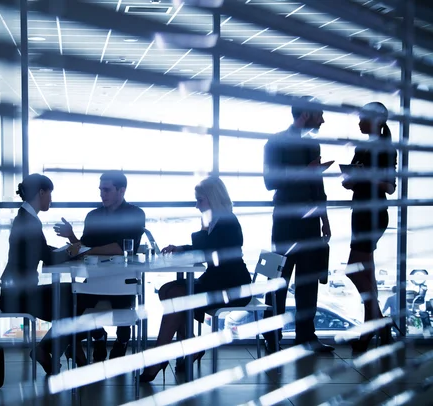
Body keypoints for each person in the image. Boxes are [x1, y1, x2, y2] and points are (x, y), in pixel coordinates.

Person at [139, 177, 251, 382]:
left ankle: (159, 355)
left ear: (213, 199)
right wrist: (181, 248)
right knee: (166, 290)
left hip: (231, 285)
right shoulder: (218, 220)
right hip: (217, 280)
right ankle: (191, 347)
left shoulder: (227, 221)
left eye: (200, 200)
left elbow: (210, 251)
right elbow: (207, 248)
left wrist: (201, 230)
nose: (196, 205)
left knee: (174, 294)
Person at [262, 98, 335, 354]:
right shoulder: (275, 142)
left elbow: (318, 185)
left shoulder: (312, 144)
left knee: (308, 282)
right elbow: (270, 182)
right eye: (320, 115)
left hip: (310, 223)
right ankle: (272, 338)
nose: (323, 120)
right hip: (285, 221)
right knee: (279, 281)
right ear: (305, 114)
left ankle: (306, 336)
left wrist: (324, 220)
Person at [0, 174, 88, 374]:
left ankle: (55, 349)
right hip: (17, 297)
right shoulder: (28, 221)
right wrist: (72, 251)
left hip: (16, 291)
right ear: (41, 192)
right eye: (50, 194)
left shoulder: (25, 218)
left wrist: (69, 252)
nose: (51, 200)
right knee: (74, 302)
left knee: (73, 296)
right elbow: (48, 257)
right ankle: (53, 349)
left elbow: (42, 250)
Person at [53, 171, 146, 361]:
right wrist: (71, 236)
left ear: (122, 190)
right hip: (95, 279)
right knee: (76, 302)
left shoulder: (135, 214)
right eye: (100, 190)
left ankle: (121, 341)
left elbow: (121, 248)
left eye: (107, 190)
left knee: (123, 302)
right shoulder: (93, 215)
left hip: (123, 279)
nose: (102, 194)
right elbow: (84, 247)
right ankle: (98, 336)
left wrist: (88, 251)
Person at [341, 102, 397, 352]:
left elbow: (390, 187)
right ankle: (376, 325)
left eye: (362, 118)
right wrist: (351, 180)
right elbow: (355, 181)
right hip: (360, 212)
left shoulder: (385, 149)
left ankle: (377, 321)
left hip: (373, 214)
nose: (359, 122)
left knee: (354, 271)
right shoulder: (363, 147)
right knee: (367, 276)